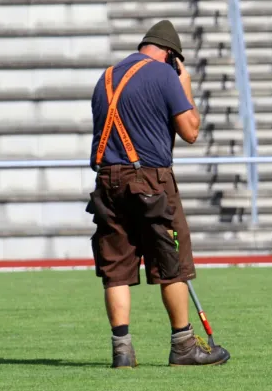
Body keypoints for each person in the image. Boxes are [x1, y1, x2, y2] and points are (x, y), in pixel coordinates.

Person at [86, 19, 231, 368]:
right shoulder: (166, 75)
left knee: (116, 268)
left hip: (108, 182)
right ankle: (183, 344)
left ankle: (122, 349)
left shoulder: (105, 78)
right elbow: (191, 131)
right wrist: (184, 85)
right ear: (170, 55)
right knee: (172, 264)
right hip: (151, 181)